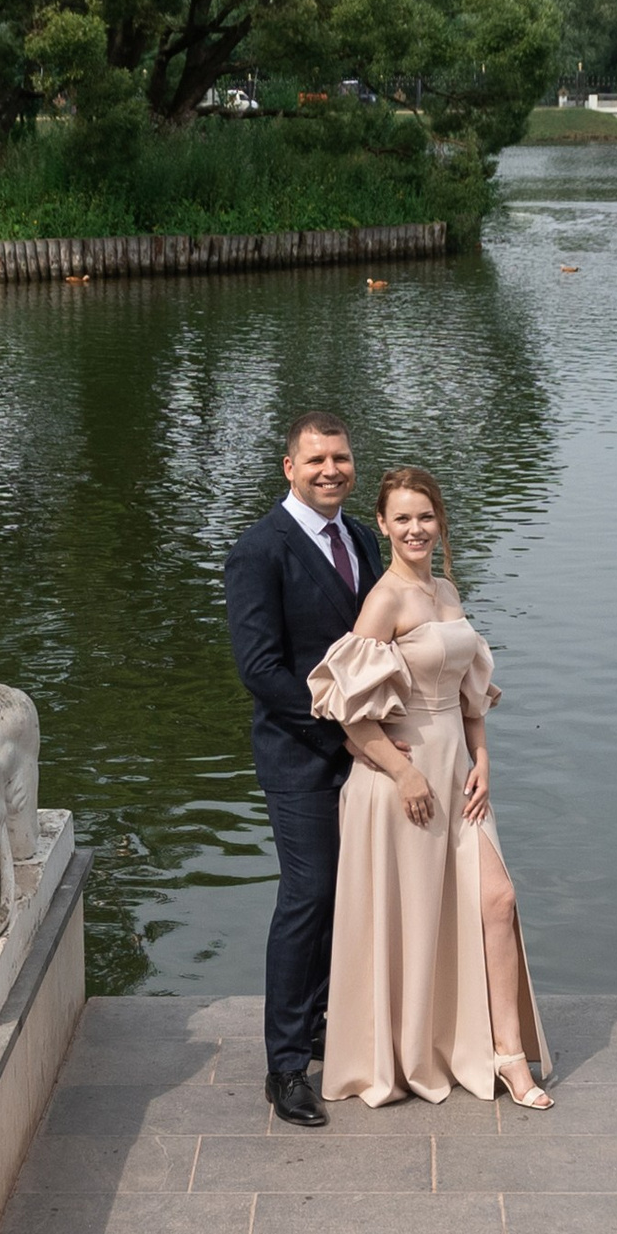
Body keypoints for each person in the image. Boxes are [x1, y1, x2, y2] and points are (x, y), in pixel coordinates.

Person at [307, 466, 551, 1109]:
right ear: (382, 526)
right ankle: (412, 1052)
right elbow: (345, 705)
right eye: (402, 518)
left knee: (497, 899)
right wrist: (402, 770)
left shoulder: (446, 591)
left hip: (459, 774)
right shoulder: (385, 600)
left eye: (426, 516)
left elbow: (471, 694)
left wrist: (483, 759)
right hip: (401, 782)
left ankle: (508, 1056)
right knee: (415, 917)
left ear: (439, 521)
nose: (416, 528)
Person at [224, 412, 384, 1128]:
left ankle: (321, 1019)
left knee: (349, 891)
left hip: (368, 752)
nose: (331, 470)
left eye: (341, 458)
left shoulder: (360, 539)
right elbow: (261, 670)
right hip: (300, 754)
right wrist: (343, 730)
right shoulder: (259, 549)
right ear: (288, 466)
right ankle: (285, 1066)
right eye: (316, 458)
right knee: (308, 893)